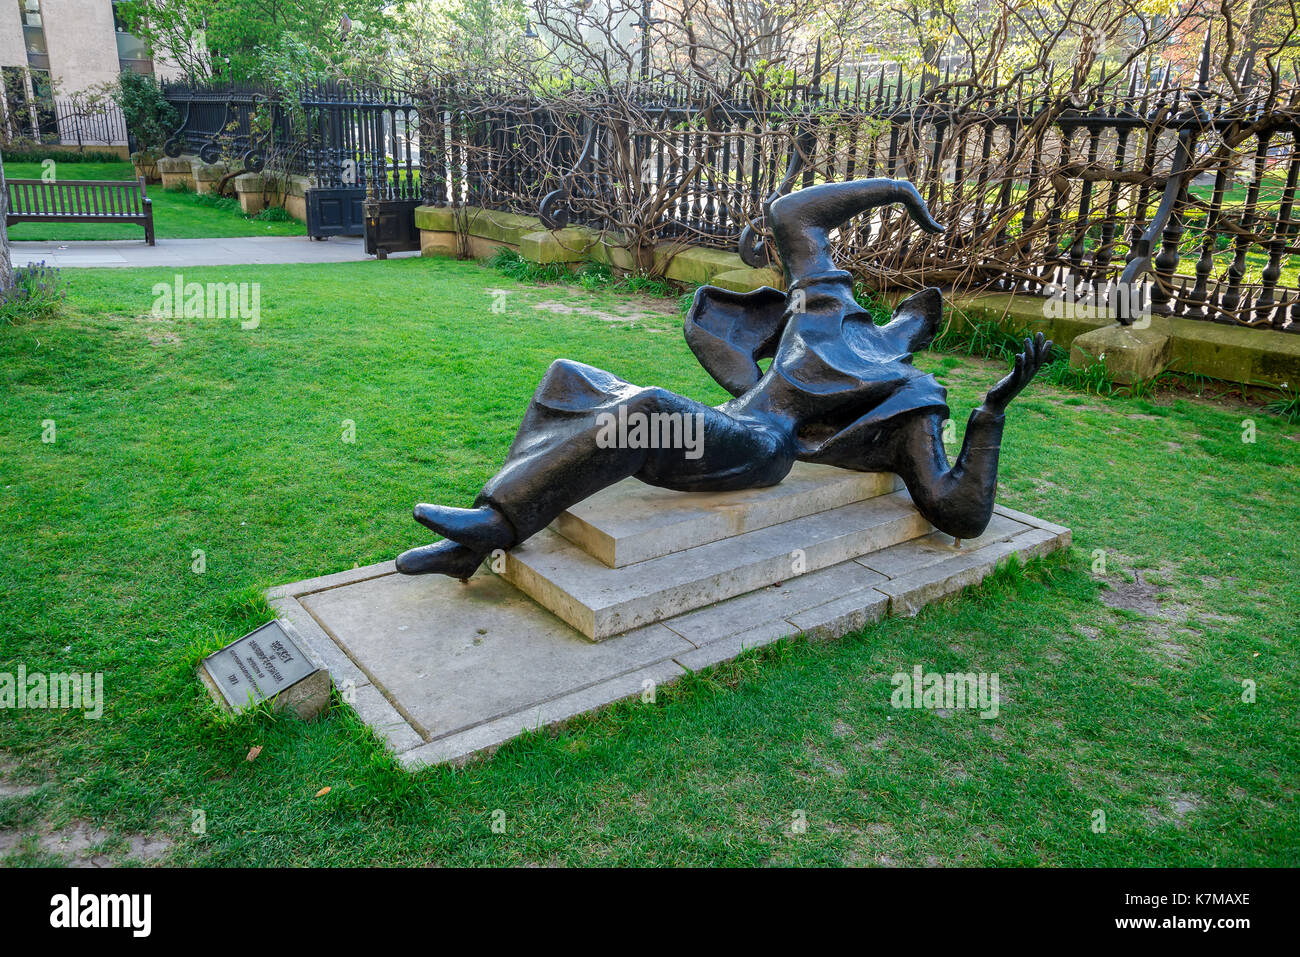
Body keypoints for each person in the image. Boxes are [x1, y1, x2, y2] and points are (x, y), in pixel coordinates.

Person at [396, 178, 1052, 579]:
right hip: (731, 417)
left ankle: (500, 524)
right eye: (910, 306)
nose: (911, 315)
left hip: (761, 447)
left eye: (921, 317)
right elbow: (792, 212)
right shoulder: (823, 310)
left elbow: (956, 511)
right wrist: (897, 191)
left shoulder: (911, 394)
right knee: (567, 375)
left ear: (923, 335)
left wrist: (989, 417)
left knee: (649, 407)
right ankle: (482, 528)